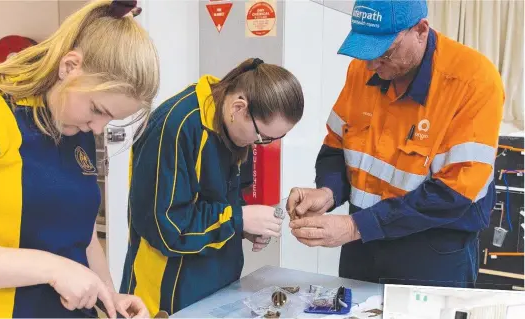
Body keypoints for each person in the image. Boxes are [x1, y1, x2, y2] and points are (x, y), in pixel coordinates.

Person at [287, 0, 504, 288]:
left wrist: (355, 226)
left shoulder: (473, 82)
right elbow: (337, 145)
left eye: (385, 53)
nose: (373, 65)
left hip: (432, 250)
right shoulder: (364, 70)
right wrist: (328, 192)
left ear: (420, 30)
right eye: (366, 53)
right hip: (363, 244)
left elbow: (454, 193)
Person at [0, 1, 160, 317]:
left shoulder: (74, 124)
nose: (98, 128)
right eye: (98, 109)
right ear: (70, 67)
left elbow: (81, 235)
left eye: (110, 120)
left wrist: (109, 296)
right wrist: (50, 267)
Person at [120, 58, 304, 315]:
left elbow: (223, 202)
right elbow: (167, 229)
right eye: (263, 137)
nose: (261, 144)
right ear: (239, 107)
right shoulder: (176, 126)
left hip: (219, 286)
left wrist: (245, 226)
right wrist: (237, 219)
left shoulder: (237, 128)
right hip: (166, 297)